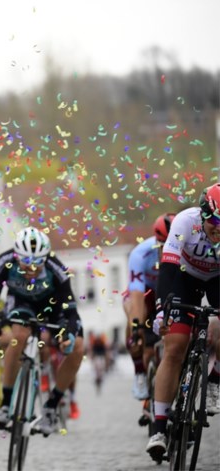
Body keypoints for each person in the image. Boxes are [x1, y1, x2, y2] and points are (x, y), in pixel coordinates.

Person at [0, 226, 84, 436]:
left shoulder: (57, 268)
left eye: (38, 262)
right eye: (26, 262)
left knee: (78, 348)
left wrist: (69, 335)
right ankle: (6, 403)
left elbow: (71, 311)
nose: (32, 267)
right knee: (18, 336)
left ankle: (51, 407)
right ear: (16, 256)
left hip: (53, 306)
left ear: (46, 257)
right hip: (21, 302)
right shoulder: (5, 261)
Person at [145, 184, 220, 461]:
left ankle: (214, 382)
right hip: (183, 277)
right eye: (214, 222)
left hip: (216, 280)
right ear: (203, 216)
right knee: (175, 346)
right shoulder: (185, 221)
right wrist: (162, 310)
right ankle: (159, 429)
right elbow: (167, 267)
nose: (218, 230)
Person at [123, 213, 174, 413]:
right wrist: (136, 328)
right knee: (135, 318)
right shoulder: (140, 253)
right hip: (144, 294)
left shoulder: (185, 250)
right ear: (156, 242)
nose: (166, 251)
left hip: (168, 294)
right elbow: (136, 295)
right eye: (162, 246)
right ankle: (139, 372)